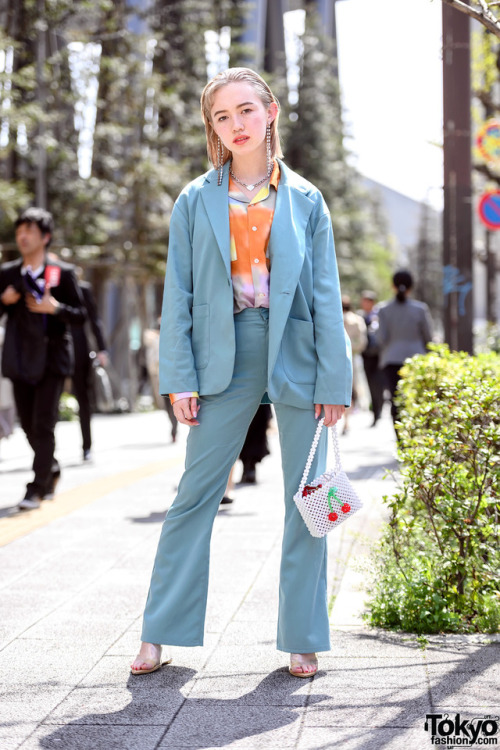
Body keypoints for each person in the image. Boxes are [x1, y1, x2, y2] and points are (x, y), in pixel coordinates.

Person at [131, 68, 352, 679]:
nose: (236, 125)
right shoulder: (194, 199)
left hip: (297, 355)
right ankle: (159, 631)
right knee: (194, 496)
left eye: (246, 110)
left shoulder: (306, 199)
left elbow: (327, 294)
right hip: (218, 356)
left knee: (308, 500)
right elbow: (177, 293)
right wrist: (178, 376)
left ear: (271, 111)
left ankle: (302, 637)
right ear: (214, 127)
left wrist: (335, 381)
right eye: (222, 117)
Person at [0, 208, 86, 509]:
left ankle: (35, 489)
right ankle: (49, 468)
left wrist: (56, 309)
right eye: (19, 231)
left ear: (45, 237)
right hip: (19, 358)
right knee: (28, 426)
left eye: (29, 231)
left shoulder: (62, 273)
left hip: (51, 360)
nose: (22, 237)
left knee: (44, 423)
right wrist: (3, 300)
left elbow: (81, 315)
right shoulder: (8, 274)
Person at [376, 270, 433, 433]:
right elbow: (428, 337)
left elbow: (382, 339)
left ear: (392, 286)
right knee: (417, 400)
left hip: (391, 360)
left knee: (396, 400)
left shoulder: (384, 309)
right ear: (411, 287)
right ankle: (416, 439)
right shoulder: (421, 309)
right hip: (417, 360)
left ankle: (401, 441)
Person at [71, 269, 109, 462]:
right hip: (50, 354)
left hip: (79, 351)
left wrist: (102, 349)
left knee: (83, 399)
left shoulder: (82, 289)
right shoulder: (45, 290)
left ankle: (87, 446)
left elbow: (95, 320)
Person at [341, 295, 367, 434]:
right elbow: (362, 342)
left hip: (335, 359)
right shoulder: (357, 320)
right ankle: (346, 422)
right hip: (352, 358)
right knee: (350, 390)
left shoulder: (333, 318)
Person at [359, 290, 385, 426]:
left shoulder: (378, 315)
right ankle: (375, 410)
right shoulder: (361, 316)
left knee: (378, 383)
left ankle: (378, 410)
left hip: (378, 356)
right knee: (370, 384)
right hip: (366, 355)